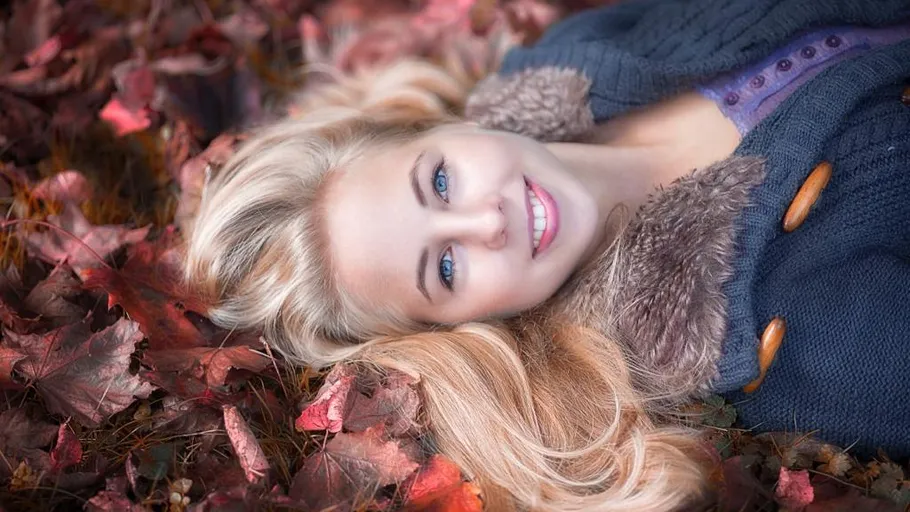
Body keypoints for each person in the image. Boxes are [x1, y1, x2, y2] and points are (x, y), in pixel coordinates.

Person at [184, 0, 910, 510]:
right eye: (445, 268)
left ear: (433, 127)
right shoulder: (785, 352)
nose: (484, 220)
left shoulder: (579, 54)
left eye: (439, 180)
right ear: (466, 326)